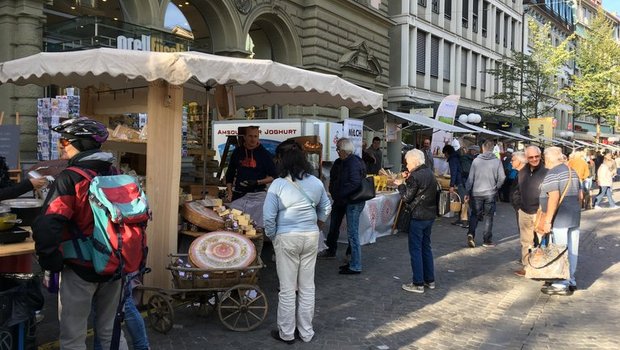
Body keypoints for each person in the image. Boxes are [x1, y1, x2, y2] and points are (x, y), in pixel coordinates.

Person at [32, 117, 129, 349]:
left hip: (79, 268)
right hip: (115, 263)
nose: (60, 144)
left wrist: (51, 262)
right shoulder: (115, 173)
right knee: (109, 332)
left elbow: (48, 225)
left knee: (73, 336)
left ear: (81, 144)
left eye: (65, 140)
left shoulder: (70, 178)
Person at [263, 141, 331, 344]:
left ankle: (286, 333)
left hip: (286, 237)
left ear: (281, 162)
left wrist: (274, 235)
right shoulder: (316, 182)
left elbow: (268, 217)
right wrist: (317, 226)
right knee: (307, 286)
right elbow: (326, 208)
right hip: (310, 237)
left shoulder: (278, 184)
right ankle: (306, 332)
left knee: (287, 288)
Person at [537, 147, 582, 296]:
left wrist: (548, 220)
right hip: (574, 217)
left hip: (560, 218)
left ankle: (561, 282)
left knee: (560, 249)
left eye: (545, 158)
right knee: (572, 249)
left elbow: (554, 197)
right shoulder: (571, 172)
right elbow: (580, 196)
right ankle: (571, 279)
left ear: (548, 159)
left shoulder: (552, 173)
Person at [318, 138, 366, 275]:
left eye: (338, 149)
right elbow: (334, 178)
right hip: (343, 200)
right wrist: (334, 191)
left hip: (351, 201)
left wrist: (339, 193)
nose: (337, 151)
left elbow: (355, 183)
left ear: (345, 150)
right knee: (336, 226)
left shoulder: (353, 163)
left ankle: (355, 264)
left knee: (353, 234)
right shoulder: (342, 162)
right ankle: (345, 257)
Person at [393, 149, 438, 294]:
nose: (406, 165)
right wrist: (408, 179)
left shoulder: (415, 176)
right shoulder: (429, 173)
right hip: (429, 215)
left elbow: (406, 197)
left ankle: (418, 282)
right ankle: (429, 280)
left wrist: (400, 185)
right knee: (426, 248)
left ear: (413, 161)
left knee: (415, 249)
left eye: (407, 162)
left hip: (418, 216)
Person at [513, 146, 547, 277]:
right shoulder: (522, 171)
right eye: (531, 157)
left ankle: (541, 268)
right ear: (526, 158)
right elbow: (516, 190)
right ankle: (527, 267)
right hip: (524, 211)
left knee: (542, 242)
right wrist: (518, 206)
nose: (534, 159)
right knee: (525, 242)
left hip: (539, 213)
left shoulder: (546, 171)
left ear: (540, 156)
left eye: (536, 156)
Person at [464, 140, 505, 248]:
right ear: (492, 149)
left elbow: (470, 178)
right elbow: (502, 177)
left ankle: (471, 233)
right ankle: (486, 240)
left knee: (474, 214)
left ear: (483, 148)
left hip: (476, 192)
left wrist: (467, 191)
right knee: (488, 217)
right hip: (490, 193)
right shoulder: (497, 161)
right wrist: (497, 187)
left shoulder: (476, 161)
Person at [225, 126, 277, 201]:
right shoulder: (237, 152)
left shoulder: (264, 154)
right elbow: (230, 174)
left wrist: (257, 182)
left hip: (258, 194)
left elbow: (274, 176)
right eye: (250, 136)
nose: (253, 139)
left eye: (255, 136)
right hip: (239, 193)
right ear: (244, 137)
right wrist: (230, 193)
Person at [442, 145, 465, 226]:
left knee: (463, 201)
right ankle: (461, 219)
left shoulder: (453, 159)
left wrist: (451, 185)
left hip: (460, 181)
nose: (445, 156)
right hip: (463, 180)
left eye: (445, 154)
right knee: (463, 201)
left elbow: (454, 172)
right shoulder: (457, 157)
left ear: (447, 152)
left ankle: (464, 221)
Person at [509, 151, 527, 233]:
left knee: (525, 233)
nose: (511, 162)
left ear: (519, 161)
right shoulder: (520, 173)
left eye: (513, 160)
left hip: (524, 209)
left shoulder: (526, 174)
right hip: (520, 208)